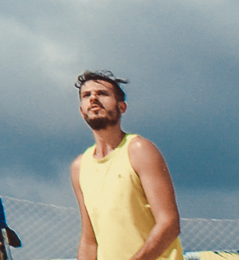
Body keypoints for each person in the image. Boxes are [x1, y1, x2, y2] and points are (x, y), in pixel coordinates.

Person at [70, 71, 181, 260]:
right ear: (82, 110)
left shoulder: (139, 150)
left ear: (122, 107)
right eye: (86, 95)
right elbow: (90, 240)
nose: (94, 98)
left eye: (102, 94)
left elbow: (169, 223)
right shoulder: (80, 167)